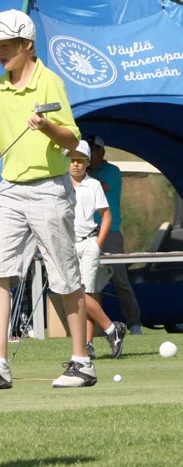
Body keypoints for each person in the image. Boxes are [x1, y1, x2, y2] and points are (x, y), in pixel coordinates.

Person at [0, 9, 96, 389]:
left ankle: (82, 361)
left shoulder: (51, 83)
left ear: (27, 45)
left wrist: (47, 125)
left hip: (50, 188)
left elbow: (73, 141)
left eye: (6, 46)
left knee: (65, 277)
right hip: (10, 192)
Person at [65, 141, 126, 359]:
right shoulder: (60, 183)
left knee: (85, 294)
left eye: (80, 161)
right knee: (76, 294)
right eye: (71, 160)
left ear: (87, 162)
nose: (75, 164)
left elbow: (106, 216)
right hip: (68, 245)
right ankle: (112, 329)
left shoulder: (93, 185)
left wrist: (97, 244)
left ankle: (88, 343)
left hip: (89, 242)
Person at [86, 135, 142, 334]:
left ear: (102, 152)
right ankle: (92, 330)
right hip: (85, 233)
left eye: (92, 150)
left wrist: (81, 173)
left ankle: (134, 323)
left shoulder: (112, 171)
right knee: (85, 281)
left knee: (120, 280)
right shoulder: (82, 174)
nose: (88, 154)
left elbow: (102, 187)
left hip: (111, 233)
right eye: (86, 149)